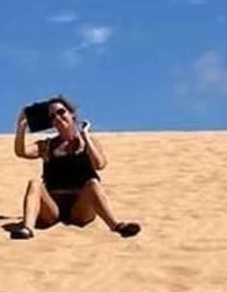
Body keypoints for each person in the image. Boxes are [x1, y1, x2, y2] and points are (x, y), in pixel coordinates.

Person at [10, 96, 141, 240]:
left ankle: (116, 225)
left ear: (71, 114)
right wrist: (21, 128)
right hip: (53, 207)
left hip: (81, 206)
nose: (58, 118)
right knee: (34, 183)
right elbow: (21, 152)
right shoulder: (47, 145)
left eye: (61, 112)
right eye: (53, 116)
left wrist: (85, 136)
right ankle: (28, 228)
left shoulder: (89, 142)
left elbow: (100, 164)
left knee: (93, 183)